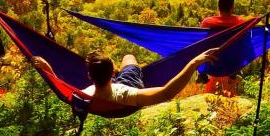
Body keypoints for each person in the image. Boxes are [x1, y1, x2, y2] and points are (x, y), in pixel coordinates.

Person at [30, 48, 219, 108]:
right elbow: (166, 92)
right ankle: (130, 66)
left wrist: (48, 70)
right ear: (112, 74)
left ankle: (125, 67)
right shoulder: (129, 95)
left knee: (129, 62)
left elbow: (64, 92)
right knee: (129, 58)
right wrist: (193, 63)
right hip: (128, 83)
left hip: (106, 88)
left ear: (89, 76)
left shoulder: (83, 95)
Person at [199, 0, 245, 96]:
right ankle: (234, 73)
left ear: (218, 6)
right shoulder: (240, 23)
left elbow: (202, 44)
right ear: (232, 7)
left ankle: (201, 72)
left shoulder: (207, 22)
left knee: (200, 45)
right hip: (232, 64)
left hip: (212, 62)